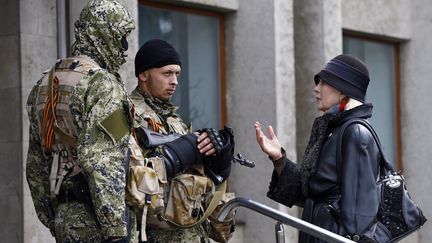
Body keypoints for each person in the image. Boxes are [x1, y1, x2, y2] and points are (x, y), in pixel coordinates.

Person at [26, 0, 136, 242]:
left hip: (65, 219)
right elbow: (104, 159)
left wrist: (53, 219)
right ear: (104, 33)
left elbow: (35, 166)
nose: (125, 47)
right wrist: (116, 230)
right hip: (96, 220)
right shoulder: (101, 85)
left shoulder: (43, 85)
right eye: (121, 37)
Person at [255, 54, 380, 243]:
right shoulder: (334, 130)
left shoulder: (356, 133)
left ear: (343, 90)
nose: (316, 88)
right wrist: (279, 157)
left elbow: (359, 216)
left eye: (324, 82)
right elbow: (310, 192)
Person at [130, 39, 234, 242]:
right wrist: (172, 157)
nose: (175, 81)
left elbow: (220, 231)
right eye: (167, 73)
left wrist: (219, 171)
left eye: (177, 74)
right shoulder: (128, 116)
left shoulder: (176, 123)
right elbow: (126, 182)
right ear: (143, 74)